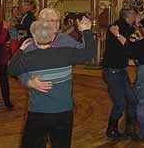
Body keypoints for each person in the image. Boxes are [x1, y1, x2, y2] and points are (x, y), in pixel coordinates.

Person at [8, 19, 96, 148]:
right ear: (54, 36)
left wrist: (21, 49)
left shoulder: (28, 57)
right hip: (65, 111)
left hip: (39, 112)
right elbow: (89, 53)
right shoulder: (66, 53)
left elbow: (12, 69)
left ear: (34, 38)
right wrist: (86, 31)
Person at [110, 16, 144, 140]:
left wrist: (118, 34)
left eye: (141, 28)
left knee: (140, 104)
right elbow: (141, 48)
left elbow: (131, 49)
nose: (140, 30)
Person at [102, 8, 139, 140]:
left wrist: (135, 26)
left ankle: (129, 129)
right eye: (136, 15)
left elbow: (131, 47)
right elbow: (130, 49)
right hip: (112, 71)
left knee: (132, 100)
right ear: (131, 16)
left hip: (120, 71)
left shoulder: (124, 28)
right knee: (120, 103)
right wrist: (136, 27)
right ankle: (111, 130)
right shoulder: (117, 27)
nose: (137, 17)